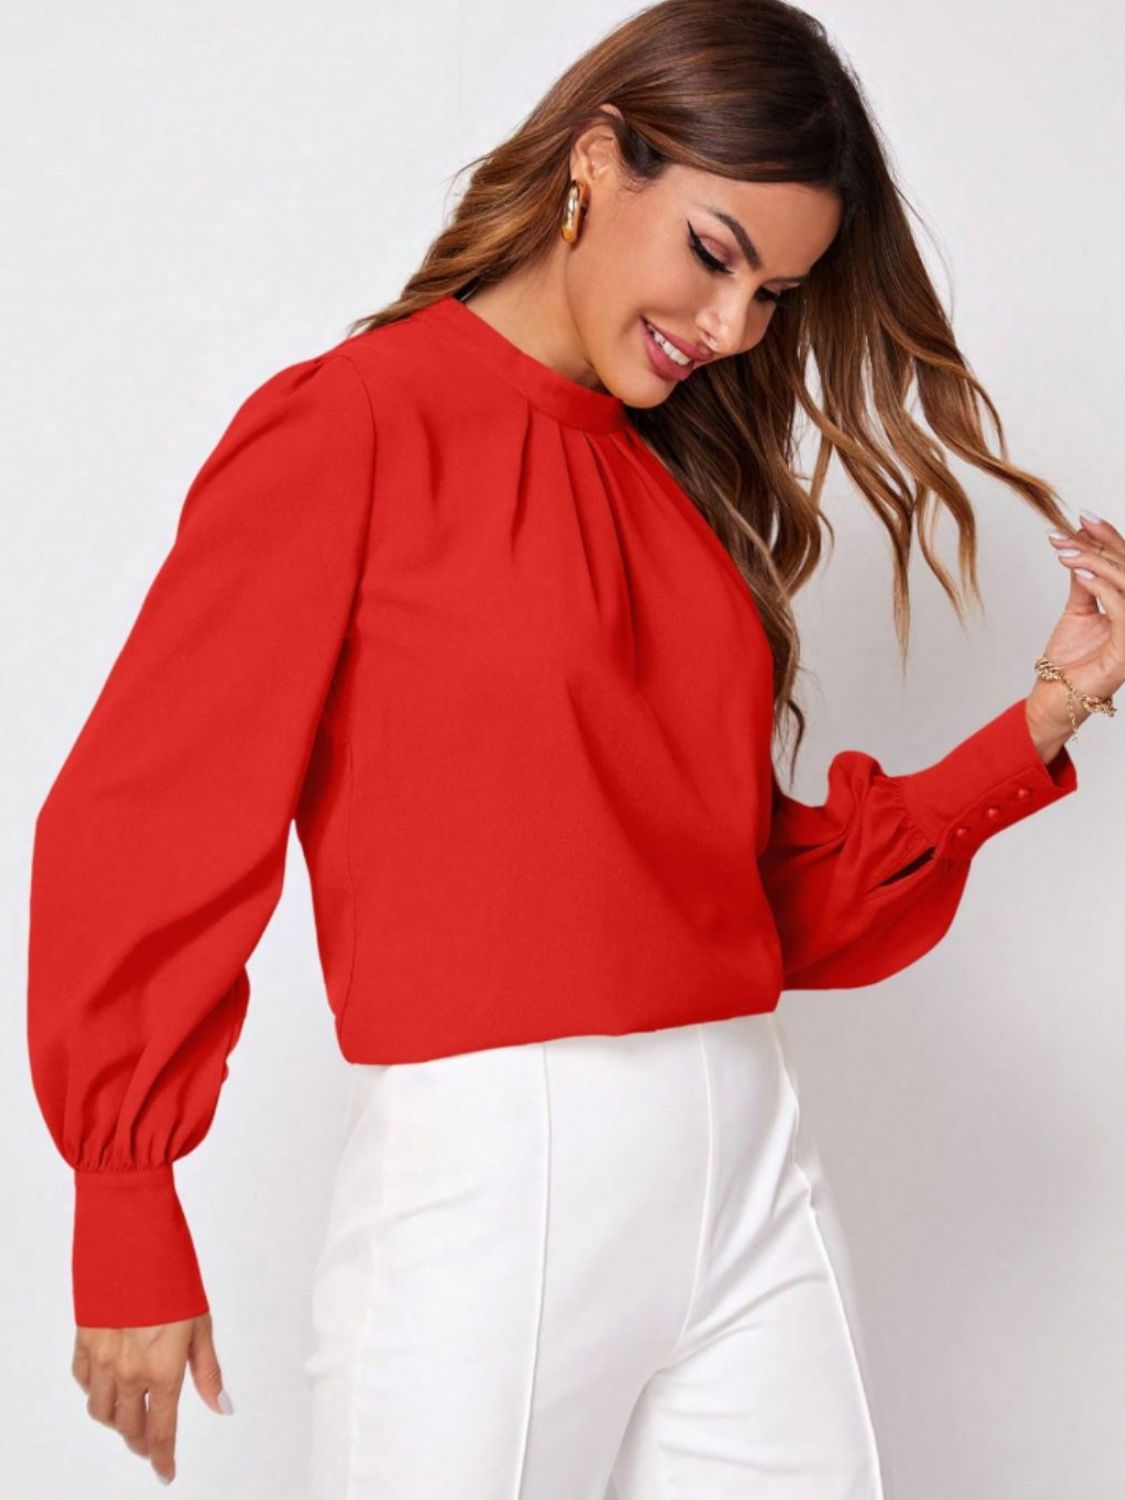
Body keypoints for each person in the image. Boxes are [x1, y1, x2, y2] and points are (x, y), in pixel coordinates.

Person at [26, 0, 1120, 1494]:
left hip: (751, 1160)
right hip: (497, 1179)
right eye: (715, 255)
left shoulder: (672, 490)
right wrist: (125, 1199)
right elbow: (154, 811)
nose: (731, 328)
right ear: (598, 158)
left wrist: (1043, 717)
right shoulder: (355, 428)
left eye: (774, 294)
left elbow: (737, 899)